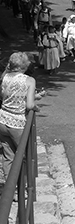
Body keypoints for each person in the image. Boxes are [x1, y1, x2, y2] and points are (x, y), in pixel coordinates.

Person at [0, 52, 39, 183]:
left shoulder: (5, 77)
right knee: (26, 155)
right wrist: (35, 106)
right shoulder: (29, 80)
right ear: (25, 65)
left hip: (2, 120)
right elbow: (29, 105)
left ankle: (12, 189)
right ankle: (25, 186)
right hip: (17, 123)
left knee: (8, 156)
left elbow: (6, 97)